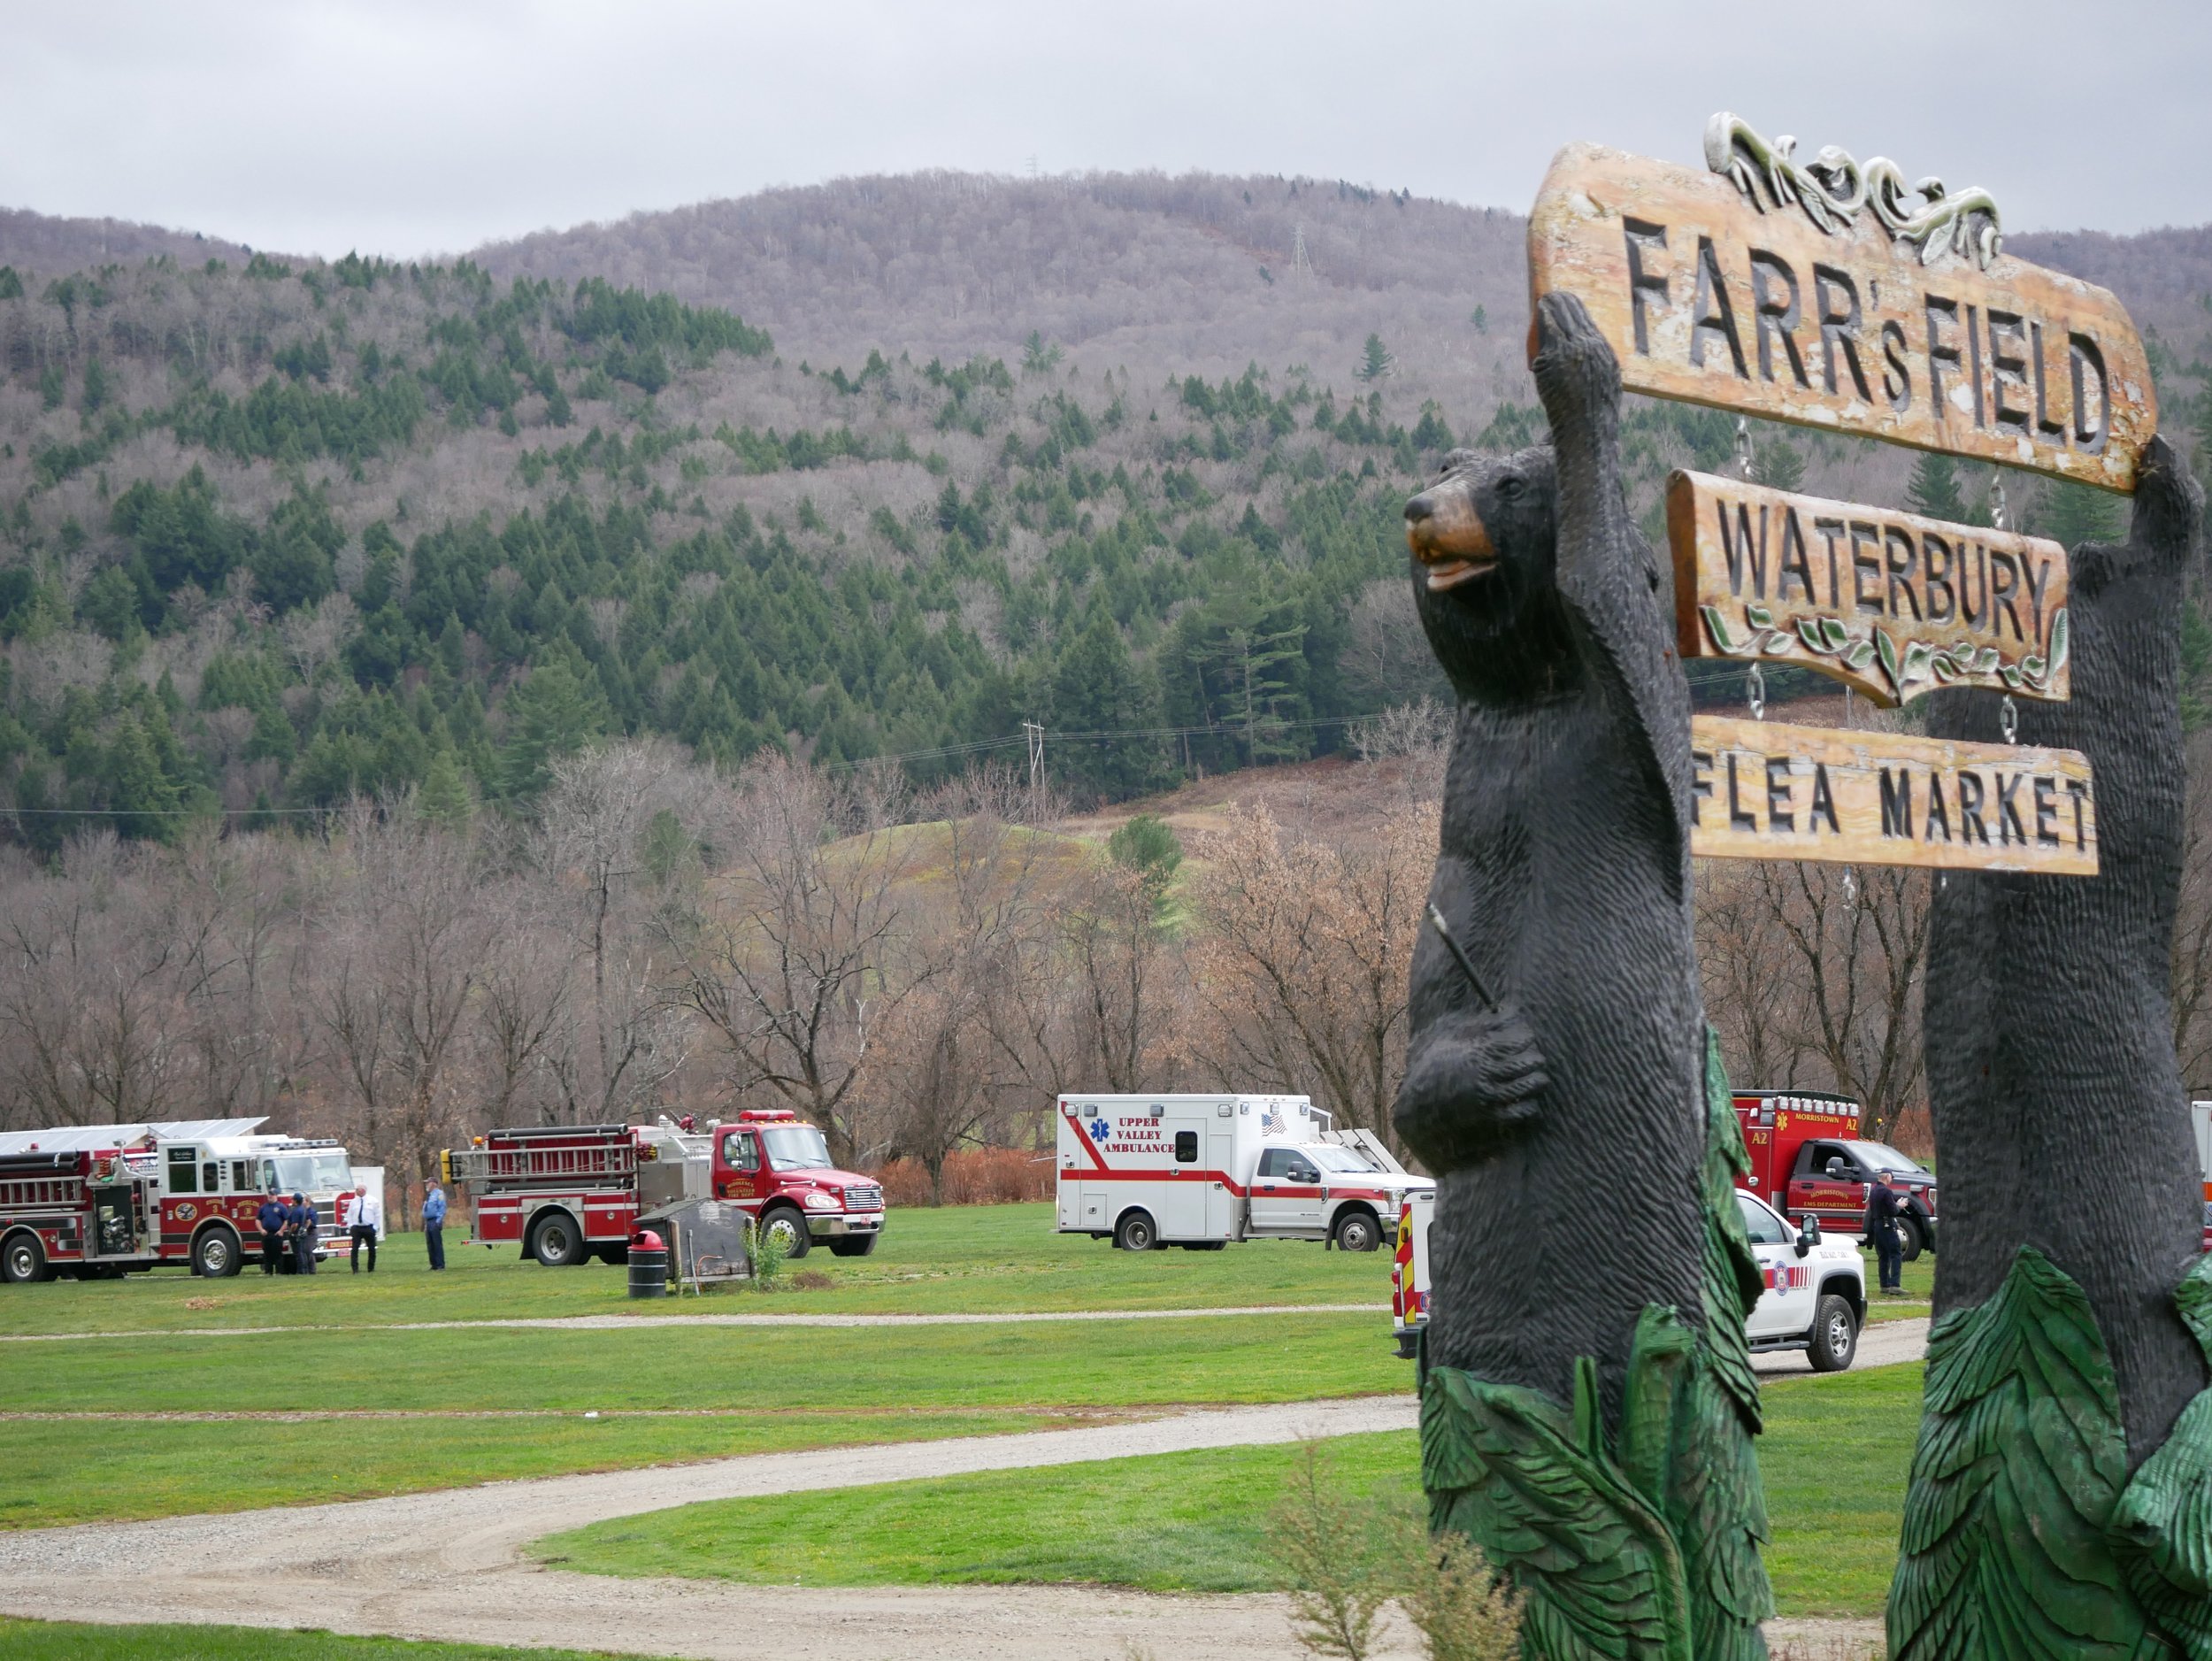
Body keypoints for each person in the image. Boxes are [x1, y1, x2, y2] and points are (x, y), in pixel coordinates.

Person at [1863, 1174, 1904, 1296]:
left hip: (1877, 1225)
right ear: (1887, 1177)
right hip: (1887, 1224)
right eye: (1891, 1177)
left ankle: (1884, 1285)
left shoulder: (1874, 1190)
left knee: (1883, 1256)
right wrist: (1899, 1206)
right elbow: (1892, 1210)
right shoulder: (1886, 1191)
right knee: (1896, 1253)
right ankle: (1895, 1285)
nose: (1892, 1179)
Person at [345, 1187, 377, 1273]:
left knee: (372, 1249)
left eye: (357, 1190)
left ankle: (371, 1268)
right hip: (357, 1228)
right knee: (355, 1249)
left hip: (368, 1227)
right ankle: (355, 1269)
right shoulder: (353, 1202)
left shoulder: (373, 1201)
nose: (356, 1191)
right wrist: (351, 1226)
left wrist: (375, 1227)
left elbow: (377, 1214)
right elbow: (349, 1215)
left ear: (363, 1191)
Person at [257, 1192, 288, 1275]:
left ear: (276, 1196)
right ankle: (268, 1272)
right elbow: (258, 1220)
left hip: (277, 1234)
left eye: (272, 1195)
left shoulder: (281, 1207)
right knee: (267, 1254)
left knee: (277, 1253)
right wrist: (261, 1230)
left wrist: (281, 1231)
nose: (270, 1196)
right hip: (266, 1234)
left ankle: (279, 1272)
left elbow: (286, 1220)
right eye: (269, 1194)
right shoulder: (263, 1207)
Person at [289, 1191, 318, 1276]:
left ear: (295, 1201)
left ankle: (302, 1270)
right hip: (303, 1234)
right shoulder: (304, 1210)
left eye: (292, 1200)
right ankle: (305, 1270)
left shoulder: (296, 1210)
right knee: (303, 1252)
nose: (291, 1201)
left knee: (300, 1253)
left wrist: (291, 1231)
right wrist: (304, 1229)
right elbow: (308, 1221)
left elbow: (295, 1224)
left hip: (298, 1234)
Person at [422, 1180, 447, 1271]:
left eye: (428, 1183)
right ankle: (434, 1265)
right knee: (430, 1244)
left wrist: (438, 1221)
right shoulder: (429, 1195)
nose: (426, 1185)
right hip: (428, 1221)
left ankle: (440, 1265)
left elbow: (442, 1208)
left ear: (433, 1184)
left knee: (437, 1243)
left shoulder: (439, 1194)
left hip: (435, 1220)